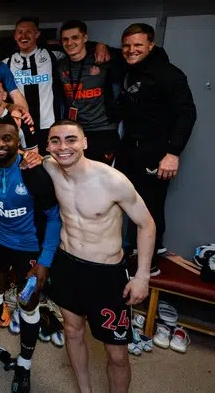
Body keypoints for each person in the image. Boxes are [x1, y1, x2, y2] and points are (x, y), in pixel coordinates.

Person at [44, 119, 156, 393]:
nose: (63, 147)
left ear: (85, 142)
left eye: (71, 139)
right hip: (68, 265)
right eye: (55, 141)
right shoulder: (49, 167)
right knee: (73, 332)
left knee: (117, 355)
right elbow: (18, 154)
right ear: (48, 146)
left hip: (106, 274)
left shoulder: (112, 181)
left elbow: (146, 224)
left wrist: (142, 276)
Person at [0, 116, 61, 393]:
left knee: (27, 301)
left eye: (7, 138)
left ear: (18, 141)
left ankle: (24, 366)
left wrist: (44, 262)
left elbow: (54, 218)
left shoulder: (33, 172)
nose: (0, 144)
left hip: (29, 246)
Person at [115, 23, 197, 275]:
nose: (131, 50)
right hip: (130, 148)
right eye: (126, 45)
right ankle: (135, 250)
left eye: (138, 45)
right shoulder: (129, 69)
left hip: (156, 152)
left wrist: (173, 154)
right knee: (126, 202)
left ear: (151, 45)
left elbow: (187, 114)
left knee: (149, 206)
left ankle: (148, 263)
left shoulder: (168, 74)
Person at [3, 17, 109, 153]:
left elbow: (76, 47)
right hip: (21, 127)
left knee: (51, 163)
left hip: (50, 126)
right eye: (20, 32)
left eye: (28, 31)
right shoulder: (6, 62)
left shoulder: (54, 54)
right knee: (24, 163)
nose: (24, 35)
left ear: (37, 34)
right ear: (14, 35)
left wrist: (100, 45)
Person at [57, 20, 121, 164]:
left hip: (102, 130)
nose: (69, 43)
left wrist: (101, 45)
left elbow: (130, 54)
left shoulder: (102, 59)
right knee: (74, 174)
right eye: (65, 39)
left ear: (85, 38)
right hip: (75, 131)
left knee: (101, 175)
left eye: (75, 37)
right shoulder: (61, 65)